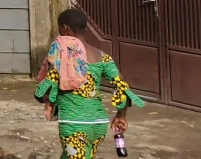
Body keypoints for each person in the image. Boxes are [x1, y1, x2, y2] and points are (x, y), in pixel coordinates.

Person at [35, 9, 142, 159]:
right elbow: (122, 85)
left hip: (74, 124)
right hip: (98, 124)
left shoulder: (62, 56)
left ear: (64, 28)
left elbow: (43, 91)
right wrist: (121, 115)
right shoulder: (102, 57)